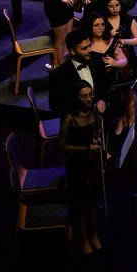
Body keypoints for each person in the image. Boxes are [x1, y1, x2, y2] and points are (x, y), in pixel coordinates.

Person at [59, 81, 105, 255]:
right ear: (76, 98)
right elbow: (62, 145)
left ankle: (94, 235)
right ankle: (83, 238)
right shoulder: (69, 119)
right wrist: (86, 149)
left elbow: (98, 129)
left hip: (93, 163)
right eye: (83, 96)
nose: (88, 99)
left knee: (93, 201)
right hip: (78, 165)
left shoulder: (94, 110)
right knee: (82, 205)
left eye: (90, 95)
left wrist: (98, 139)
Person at [103, 0, 137, 66]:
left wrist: (125, 41)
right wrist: (108, 35)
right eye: (111, 6)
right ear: (106, 7)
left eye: (117, 5)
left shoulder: (129, 20)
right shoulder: (103, 21)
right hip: (110, 54)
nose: (115, 8)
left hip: (126, 53)